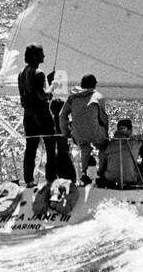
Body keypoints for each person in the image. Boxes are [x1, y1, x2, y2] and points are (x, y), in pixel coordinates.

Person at [18, 44, 58, 188]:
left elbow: (27, 95)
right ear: (35, 56)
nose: (44, 56)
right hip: (43, 117)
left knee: (30, 150)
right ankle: (51, 180)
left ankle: (29, 180)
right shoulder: (39, 73)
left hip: (28, 118)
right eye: (41, 53)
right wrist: (52, 86)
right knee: (50, 149)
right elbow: (43, 95)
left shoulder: (21, 74)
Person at [59, 73, 109, 184]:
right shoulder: (98, 97)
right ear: (94, 85)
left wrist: (66, 132)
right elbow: (103, 118)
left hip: (78, 133)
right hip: (94, 131)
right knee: (103, 146)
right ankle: (101, 173)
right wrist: (106, 132)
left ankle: (84, 173)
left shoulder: (72, 97)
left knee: (85, 147)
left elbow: (62, 115)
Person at [98, 119, 143, 189]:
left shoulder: (108, 144)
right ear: (130, 130)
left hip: (110, 178)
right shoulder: (135, 141)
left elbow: (101, 163)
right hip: (129, 179)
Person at [47, 71, 77, 182]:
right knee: (70, 177)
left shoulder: (51, 119)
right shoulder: (61, 120)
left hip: (57, 153)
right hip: (62, 152)